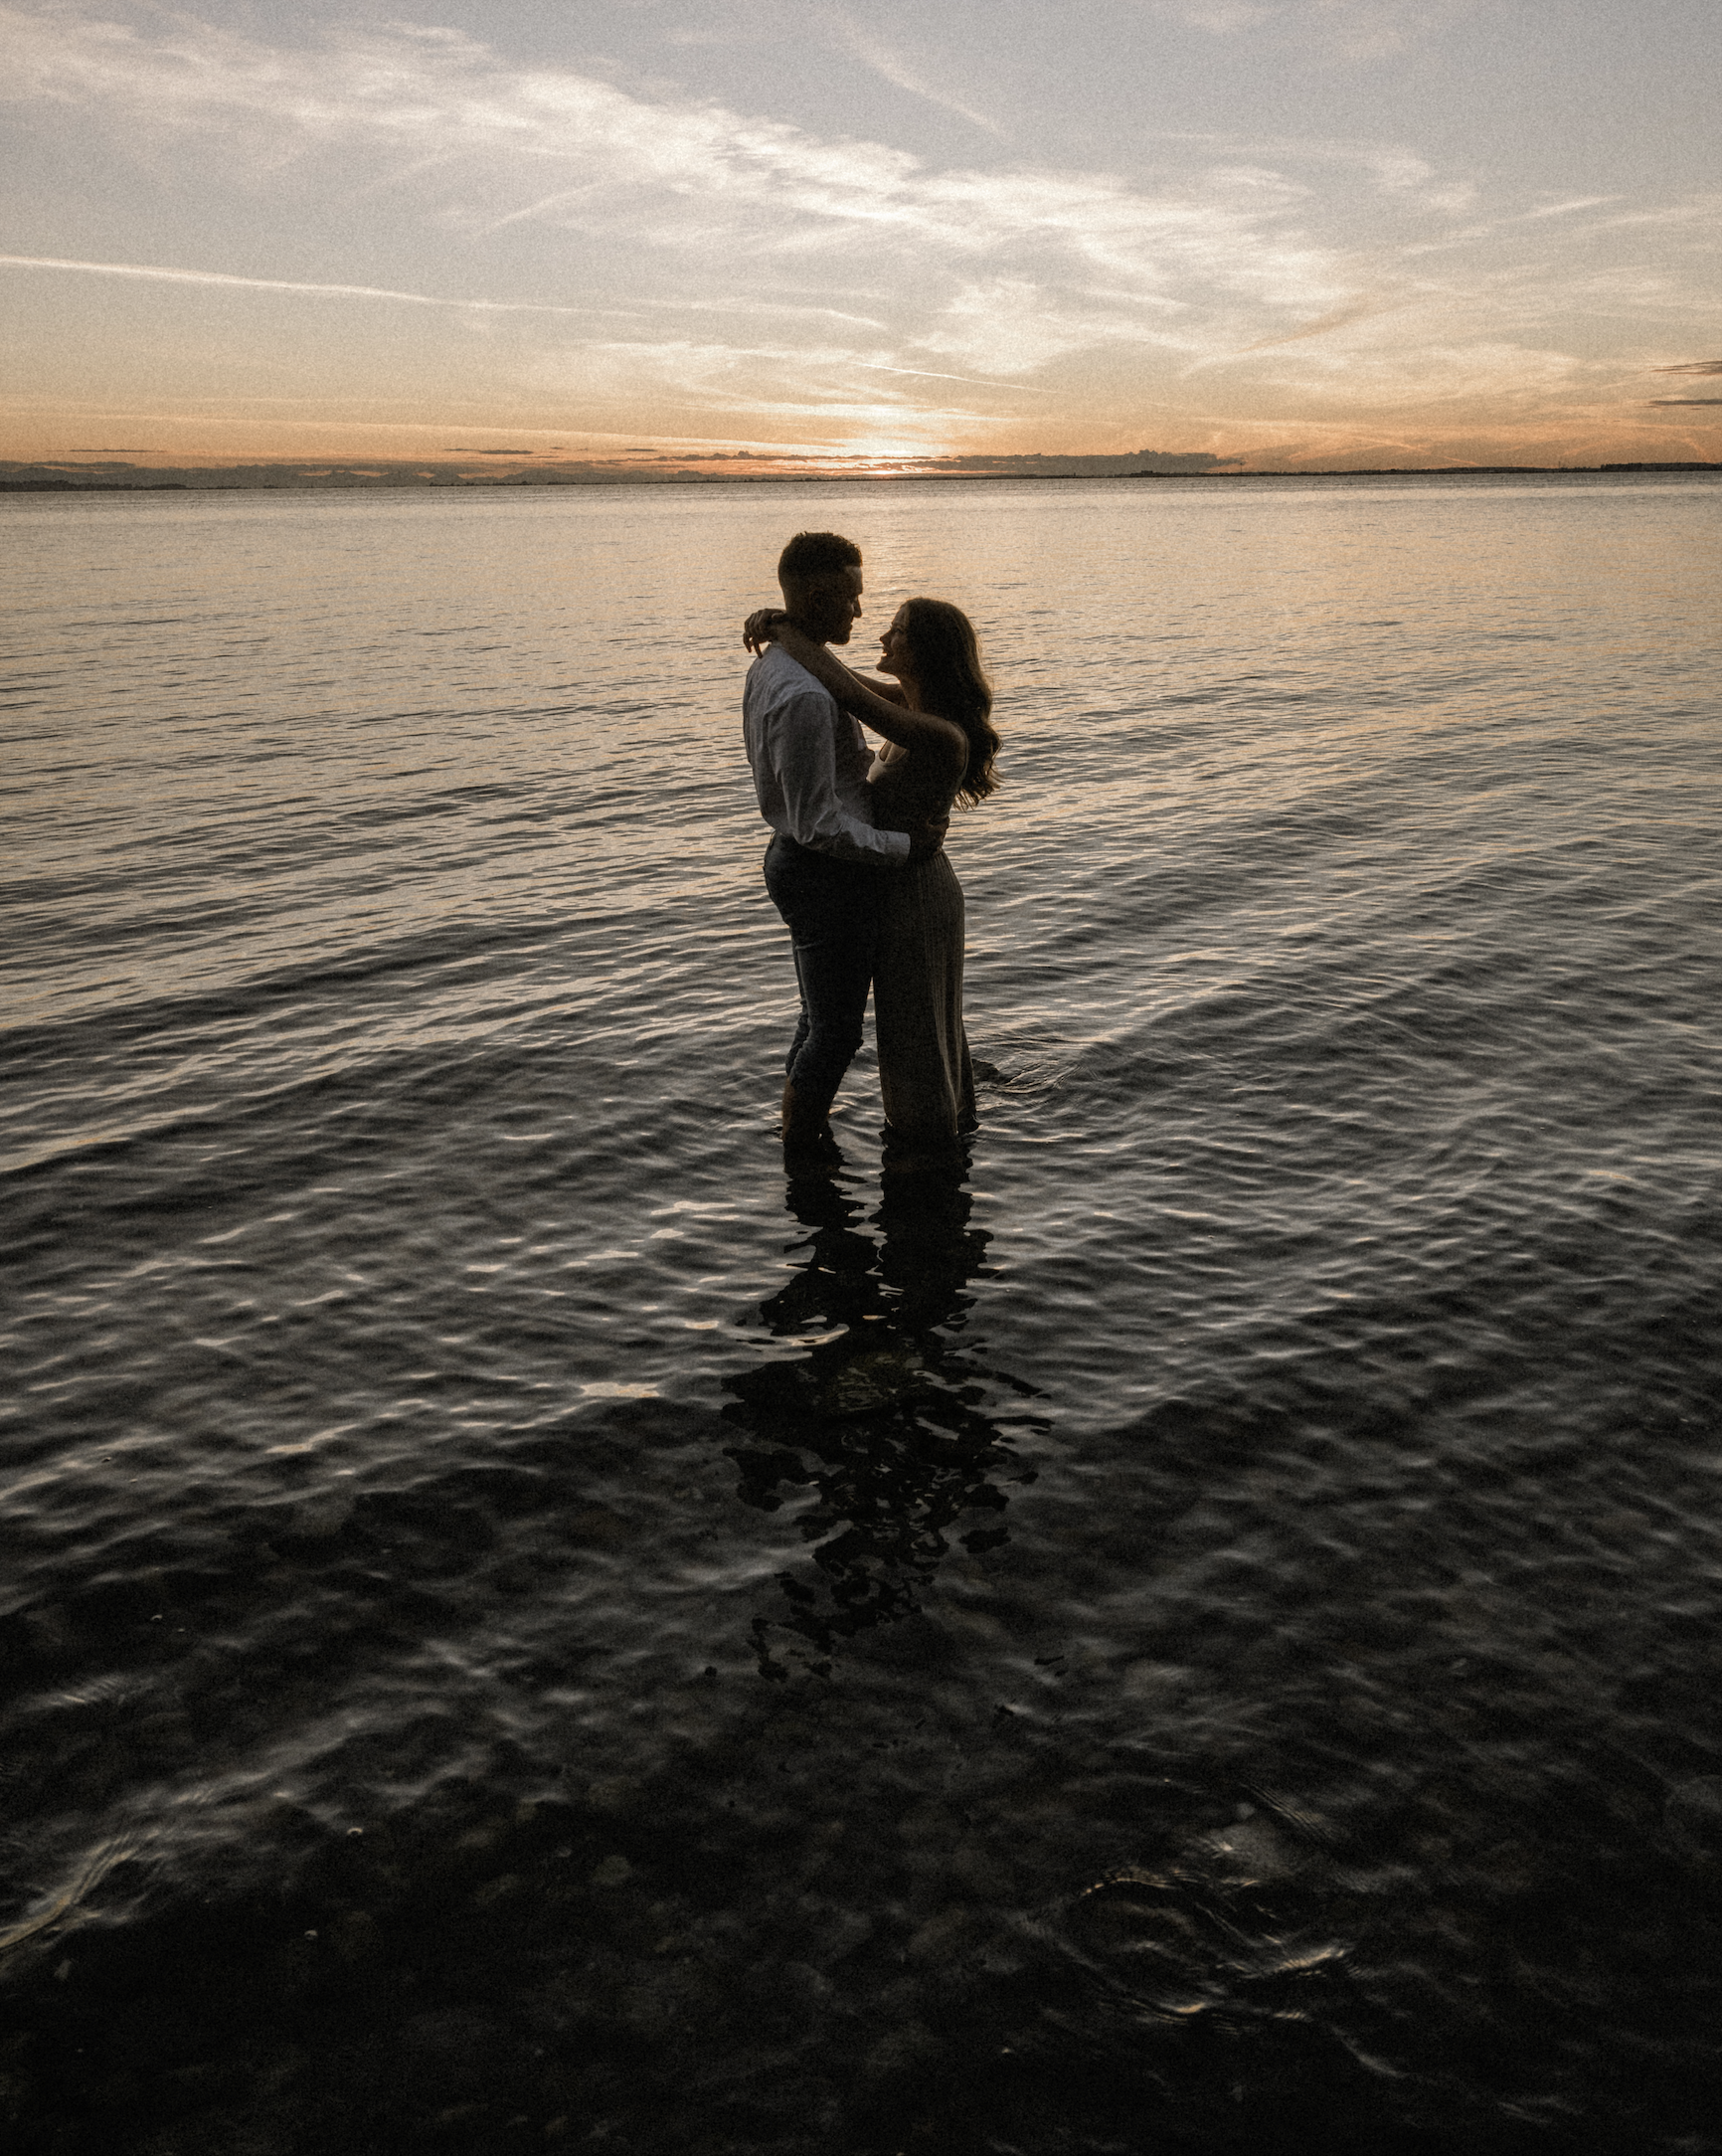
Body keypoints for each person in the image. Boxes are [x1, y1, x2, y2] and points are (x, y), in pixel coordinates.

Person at [745, 590, 999, 1162]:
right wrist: (782, 628)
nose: (882, 635)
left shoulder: (938, 733)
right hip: (899, 878)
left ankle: (928, 1139)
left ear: (928, 652)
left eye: (899, 631)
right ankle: (937, 1123)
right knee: (913, 1019)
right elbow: (843, 677)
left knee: (915, 1022)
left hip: (917, 889)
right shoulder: (909, 704)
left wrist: (784, 631)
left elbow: (842, 688)